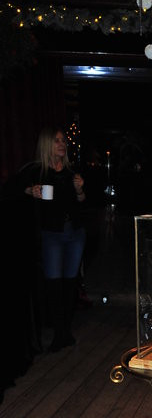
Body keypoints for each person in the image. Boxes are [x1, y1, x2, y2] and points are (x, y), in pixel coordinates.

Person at [19, 127, 86, 352]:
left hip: (74, 232)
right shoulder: (37, 172)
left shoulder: (71, 171)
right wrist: (30, 191)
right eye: (57, 141)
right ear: (47, 144)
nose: (62, 144)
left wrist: (79, 190)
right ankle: (59, 333)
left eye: (63, 141)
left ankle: (65, 331)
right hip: (52, 235)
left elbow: (82, 201)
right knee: (54, 284)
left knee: (70, 283)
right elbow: (15, 188)